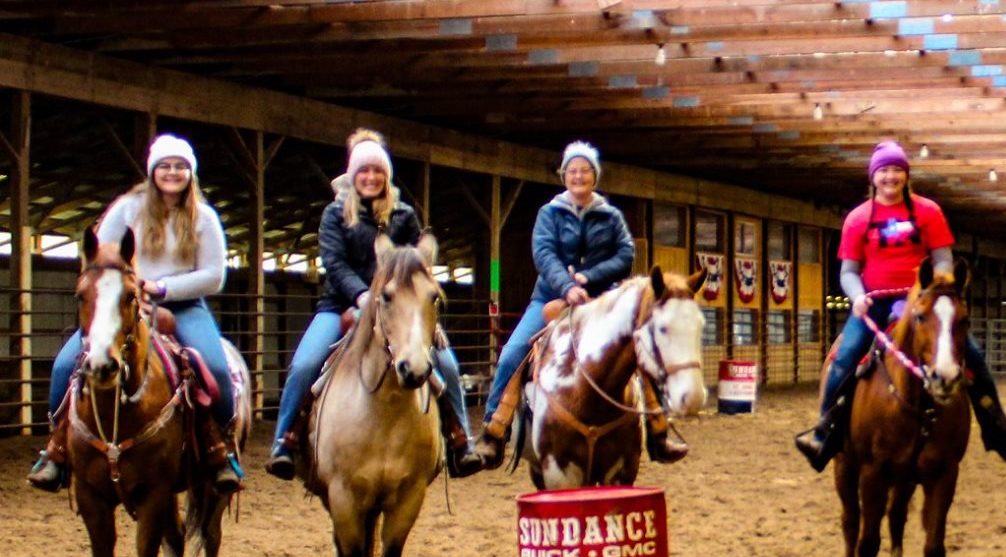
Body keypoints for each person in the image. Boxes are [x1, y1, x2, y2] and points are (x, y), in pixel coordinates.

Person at [793, 140, 1006, 472]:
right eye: (883, 171)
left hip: (920, 300)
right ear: (873, 177)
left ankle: (1001, 431)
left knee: (974, 358)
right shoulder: (857, 218)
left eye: (897, 170)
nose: (890, 177)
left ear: (906, 176)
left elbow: (941, 258)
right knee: (845, 357)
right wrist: (857, 298)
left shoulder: (928, 211)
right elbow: (849, 271)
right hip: (875, 301)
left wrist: (939, 288)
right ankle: (824, 434)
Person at [28, 134, 244, 494]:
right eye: (165, 166)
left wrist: (161, 289)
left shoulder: (203, 217)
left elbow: (213, 276)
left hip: (183, 304)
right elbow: (98, 255)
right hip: (124, 303)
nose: (172, 172)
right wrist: (126, 291)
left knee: (215, 367)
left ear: (191, 173)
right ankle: (57, 447)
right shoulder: (126, 209)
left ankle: (219, 450)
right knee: (65, 365)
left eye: (180, 166)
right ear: (152, 171)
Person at [267, 130, 483, 482]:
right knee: (305, 363)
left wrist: (419, 312)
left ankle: (461, 440)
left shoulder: (403, 216)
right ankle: (284, 439)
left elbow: (419, 268)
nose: (370, 177)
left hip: (400, 309)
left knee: (446, 364)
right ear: (353, 176)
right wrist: (362, 296)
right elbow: (334, 264)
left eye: (377, 171)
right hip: (340, 305)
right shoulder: (335, 215)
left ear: (386, 176)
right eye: (364, 171)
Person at [475, 142, 682, 469]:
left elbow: (625, 255)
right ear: (564, 175)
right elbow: (544, 254)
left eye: (585, 170)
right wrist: (567, 286)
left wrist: (587, 277)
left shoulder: (611, 216)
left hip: (602, 301)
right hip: (550, 297)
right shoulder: (549, 213)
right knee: (513, 353)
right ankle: (493, 429)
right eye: (572, 170)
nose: (578, 175)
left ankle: (658, 428)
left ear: (594, 176)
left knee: (639, 352)